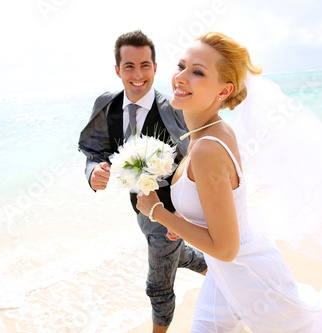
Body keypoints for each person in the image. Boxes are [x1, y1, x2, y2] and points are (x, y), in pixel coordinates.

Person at [137, 31, 322, 332]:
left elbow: (226, 248)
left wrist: (158, 213)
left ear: (223, 92)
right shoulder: (213, 132)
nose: (181, 77)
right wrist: (183, 223)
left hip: (251, 278)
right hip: (223, 276)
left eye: (198, 72)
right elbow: (220, 209)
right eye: (181, 65)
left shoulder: (208, 147)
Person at [78, 30, 207, 332]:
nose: (138, 75)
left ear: (155, 67)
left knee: (158, 287)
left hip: (170, 213)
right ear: (117, 70)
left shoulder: (174, 109)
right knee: (182, 256)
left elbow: (198, 162)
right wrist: (94, 170)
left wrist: (184, 216)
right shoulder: (107, 105)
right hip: (140, 211)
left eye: (145, 65)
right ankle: (225, 273)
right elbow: (94, 149)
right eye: (129, 66)